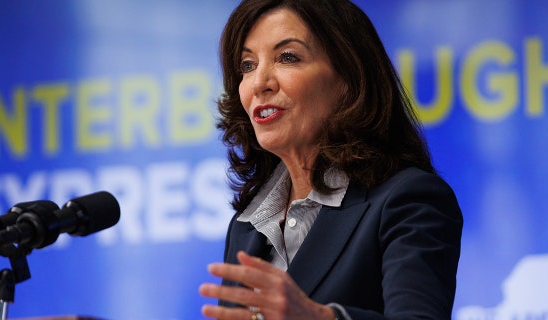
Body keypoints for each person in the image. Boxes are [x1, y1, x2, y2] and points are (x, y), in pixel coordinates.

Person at [198, 0, 463, 319]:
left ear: (348, 79)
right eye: (247, 65)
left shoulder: (409, 201)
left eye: (287, 57)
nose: (259, 83)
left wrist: (321, 317)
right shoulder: (248, 228)